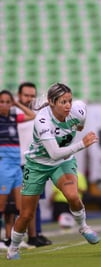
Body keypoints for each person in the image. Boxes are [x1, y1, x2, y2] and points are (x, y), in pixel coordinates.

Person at [6, 83, 100, 260]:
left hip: (62, 163)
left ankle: (84, 227)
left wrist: (76, 140)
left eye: (70, 101)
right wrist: (82, 144)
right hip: (37, 164)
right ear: (51, 102)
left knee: (73, 196)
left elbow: (78, 127)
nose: (68, 105)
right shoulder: (42, 120)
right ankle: (13, 248)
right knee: (26, 214)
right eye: (63, 102)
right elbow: (54, 153)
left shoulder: (78, 110)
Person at [16, 82, 52, 247]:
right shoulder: (13, 113)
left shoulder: (38, 114)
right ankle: (17, 235)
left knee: (36, 201)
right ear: (19, 96)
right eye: (26, 95)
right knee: (21, 203)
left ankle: (36, 233)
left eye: (32, 95)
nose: (29, 98)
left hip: (36, 162)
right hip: (18, 163)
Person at [0, 89, 36, 250]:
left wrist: (17, 104)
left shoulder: (14, 117)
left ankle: (15, 240)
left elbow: (32, 115)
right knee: (1, 207)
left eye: (8, 102)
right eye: (2, 101)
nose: (5, 105)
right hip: (4, 165)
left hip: (16, 165)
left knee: (21, 207)